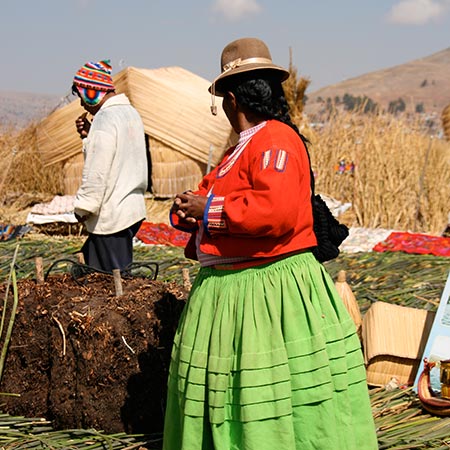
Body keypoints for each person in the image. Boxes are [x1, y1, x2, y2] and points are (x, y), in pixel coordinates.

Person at [163, 38, 378, 449]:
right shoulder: (236, 152)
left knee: (275, 392)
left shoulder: (275, 141)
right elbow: (207, 196)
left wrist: (206, 209)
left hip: (269, 291)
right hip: (228, 290)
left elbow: (273, 211)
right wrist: (186, 209)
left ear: (229, 99)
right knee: (235, 393)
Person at [71, 60, 148, 273]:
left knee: (111, 286)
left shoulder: (105, 119)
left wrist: (84, 208)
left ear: (91, 91)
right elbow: (120, 156)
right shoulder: (130, 113)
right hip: (131, 210)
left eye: (81, 96)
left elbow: (97, 172)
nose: (82, 105)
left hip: (112, 217)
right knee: (86, 270)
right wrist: (89, 136)